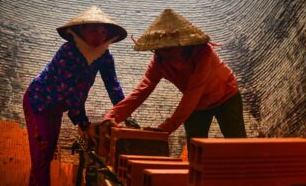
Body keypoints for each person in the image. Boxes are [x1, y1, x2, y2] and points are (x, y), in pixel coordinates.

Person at [23, 6, 127, 186]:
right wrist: (84, 123)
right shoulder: (68, 51)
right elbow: (69, 91)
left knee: (44, 156)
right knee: (42, 155)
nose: (99, 35)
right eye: (93, 30)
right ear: (81, 31)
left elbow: (113, 85)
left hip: (56, 108)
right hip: (38, 102)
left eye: (103, 31)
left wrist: (125, 114)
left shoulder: (105, 56)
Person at [103, 9, 246, 154]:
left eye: (171, 48)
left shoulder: (203, 53)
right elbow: (141, 91)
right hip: (197, 105)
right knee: (195, 149)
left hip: (226, 96)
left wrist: (165, 128)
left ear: (183, 44)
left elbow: (193, 92)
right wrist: (112, 117)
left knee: (238, 143)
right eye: (162, 49)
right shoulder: (159, 62)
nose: (167, 53)